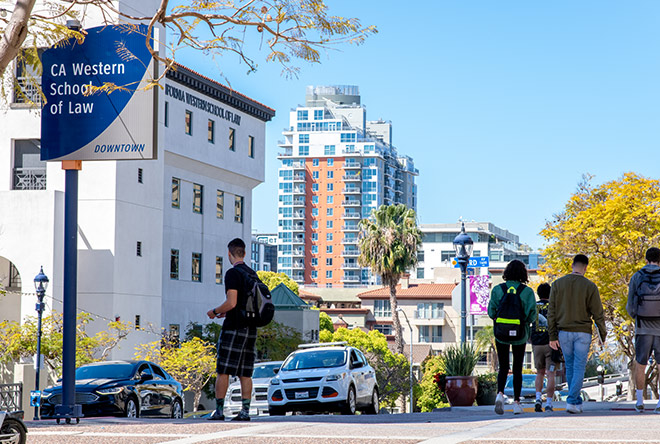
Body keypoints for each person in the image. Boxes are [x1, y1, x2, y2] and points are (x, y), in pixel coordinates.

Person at [206, 238, 258, 421]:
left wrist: (214, 312)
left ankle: (219, 411)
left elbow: (232, 302)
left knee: (223, 370)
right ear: (243, 253)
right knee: (245, 372)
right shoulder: (252, 274)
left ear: (229, 254)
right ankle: (245, 412)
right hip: (250, 328)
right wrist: (226, 312)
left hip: (234, 328)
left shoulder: (232, 274)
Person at [548, 254, 606, 414]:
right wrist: (603, 334)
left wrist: (552, 336)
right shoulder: (590, 286)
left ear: (572, 265)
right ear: (585, 267)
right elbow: (598, 313)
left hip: (563, 332)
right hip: (583, 332)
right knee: (579, 366)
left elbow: (551, 312)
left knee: (571, 366)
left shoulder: (557, 284)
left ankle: (576, 402)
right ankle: (572, 401)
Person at [488, 260, 537, 415]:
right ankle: (516, 403)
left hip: (501, 333)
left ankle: (500, 394)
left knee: (503, 366)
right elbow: (532, 315)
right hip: (520, 334)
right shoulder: (527, 292)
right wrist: (523, 323)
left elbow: (491, 312)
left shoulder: (498, 289)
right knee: (517, 368)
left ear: (507, 272)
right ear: (523, 274)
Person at [626, 247, 660, 413]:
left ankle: (639, 401)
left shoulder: (637, 276)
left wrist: (637, 317)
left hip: (642, 327)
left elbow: (630, 305)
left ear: (646, 260)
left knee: (640, 364)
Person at [530, 283, 556, 412]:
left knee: (539, 372)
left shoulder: (534, 306)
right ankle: (549, 403)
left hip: (536, 344)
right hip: (551, 344)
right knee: (551, 373)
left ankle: (538, 398)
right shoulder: (554, 306)